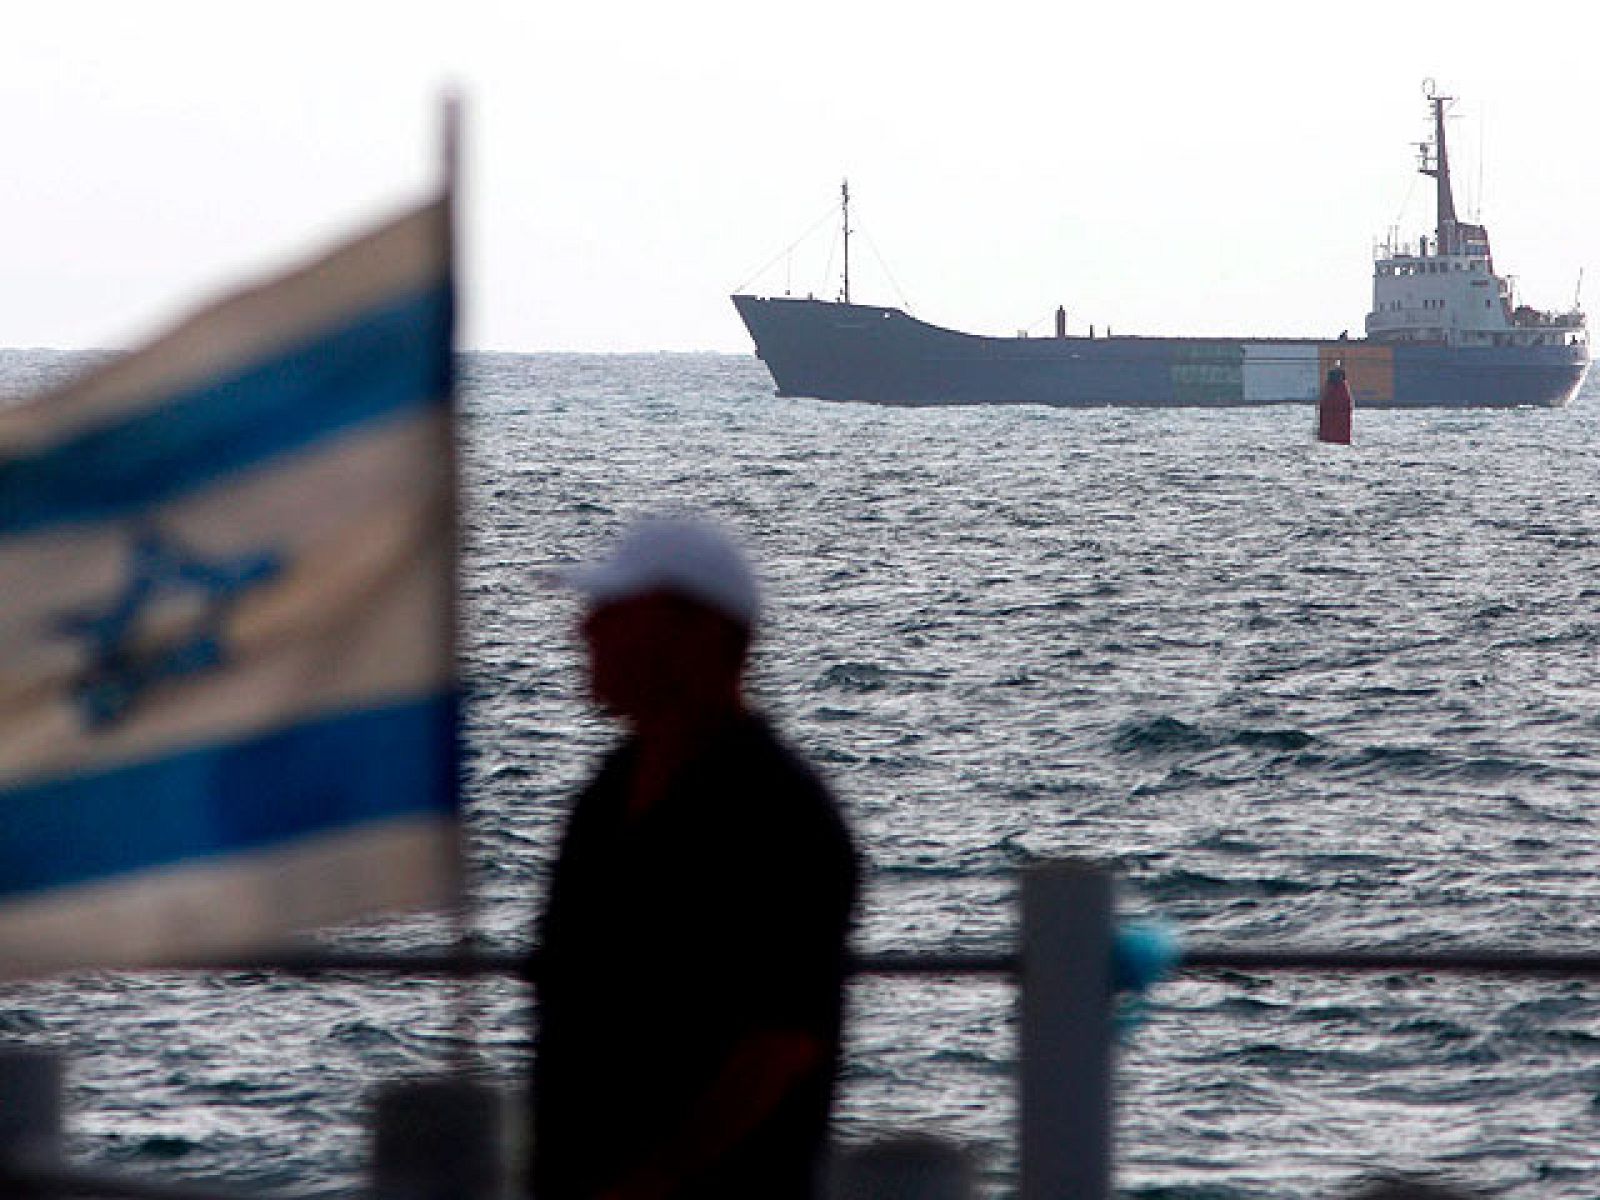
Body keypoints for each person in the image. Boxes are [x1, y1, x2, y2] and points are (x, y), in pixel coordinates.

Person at [531, 515, 860, 1200]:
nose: (586, 630)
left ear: (696, 635)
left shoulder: (780, 814)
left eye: (617, 613)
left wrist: (648, 1182)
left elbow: (781, 1041)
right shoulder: (606, 795)